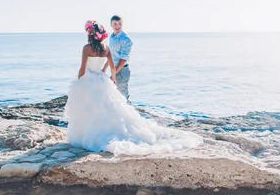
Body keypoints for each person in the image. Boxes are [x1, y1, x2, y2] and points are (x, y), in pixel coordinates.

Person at [65, 20, 202, 155]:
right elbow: (112, 68)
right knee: (109, 108)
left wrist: (79, 82)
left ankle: (89, 133)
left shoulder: (87, 48)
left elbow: (82, 69)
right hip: (101, 79)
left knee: (89, 108)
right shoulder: (106, 48)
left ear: (89, 34)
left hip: (89, 80)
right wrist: (112, 79)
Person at [103, 15, 133, 101]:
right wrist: (104, 68)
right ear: (111, 25)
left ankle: (129, 114)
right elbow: (111, 55)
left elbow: (123, 59)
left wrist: (114, 74)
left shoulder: (125, 39)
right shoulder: (112, 37)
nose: (117, 26)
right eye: (115, 24)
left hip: (122, 70)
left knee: (123, 96)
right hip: (114, 70)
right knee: (111, 93)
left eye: (120, 24)